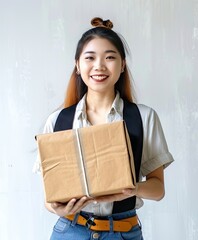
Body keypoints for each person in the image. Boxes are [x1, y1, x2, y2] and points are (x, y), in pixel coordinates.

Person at [34, 17, 174, 239]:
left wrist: (132, 189)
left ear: (123, 65)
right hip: (69, 231)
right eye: (90, 58)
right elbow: (49, 199)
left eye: (110, 57)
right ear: (78, 65)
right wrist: (57, 209)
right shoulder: (58, 121)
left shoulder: (143, 117)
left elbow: (158, 190)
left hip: (122, 232)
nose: (99, 66)